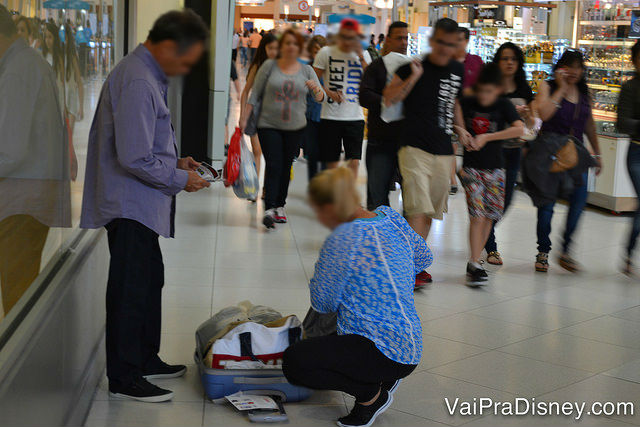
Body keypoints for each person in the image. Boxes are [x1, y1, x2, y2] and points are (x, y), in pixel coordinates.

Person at [80, 10, 210, 403]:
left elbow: (146, 143)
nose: (184, 69)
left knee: (150, 280)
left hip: (140, 204)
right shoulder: (137, 78)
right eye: (185, 61)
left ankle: (144, 357)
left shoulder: (146, 74)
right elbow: (134, 157)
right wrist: (179, 179)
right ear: (168, 46)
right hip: (129, 205)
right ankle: (124, 377)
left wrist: (177, 162)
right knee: (130, 291)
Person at [283, 167, 431, 427]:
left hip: (378, 349)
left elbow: (323, 303)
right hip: (410, 344)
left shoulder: (341, 241)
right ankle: (385, 377)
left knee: (295, 362)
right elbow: (423, 258)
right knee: (331, 345)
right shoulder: (391, 217)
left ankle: (371, 395)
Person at [383, 18, 467, 287]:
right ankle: (406, 268)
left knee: (430, 212)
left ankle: (414, 264)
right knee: (416, 209)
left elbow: (453, 102)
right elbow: (389, 97)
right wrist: (414, 79)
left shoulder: (457, 70)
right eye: (441, 42)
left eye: (451, 44)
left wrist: (461, 129)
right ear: (432, 41)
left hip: (443, 149)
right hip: (413, 146)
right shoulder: (412, 67)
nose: (445, 48)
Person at [0, 5, 69, 320]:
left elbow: (10, 150)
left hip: (22, 199)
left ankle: (20, 369)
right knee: (19, 287)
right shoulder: (23, 63)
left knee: (17, 294)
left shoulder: (18, 69)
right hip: (28, 193)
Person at [240, 29, 324, 229]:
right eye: (287, 43)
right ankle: (269, 208)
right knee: (274, 163)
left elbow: (320, 98)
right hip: (268, 124)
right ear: (283, 47)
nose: (291, 47)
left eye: (295, 44)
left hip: (295, 127)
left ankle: (280, 205)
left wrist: (315, 89)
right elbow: (255, 94)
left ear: (299, 48)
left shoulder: (307, 70)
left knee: (286, 166)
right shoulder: (269, 66)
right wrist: (244, 117)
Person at [533, 50, 602, 273]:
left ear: (582, 71)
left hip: (576, 153)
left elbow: (589, 124)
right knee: (547, 206)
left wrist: (597, 153)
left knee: (580, 201)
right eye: (568, 66)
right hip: (549, 153)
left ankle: (566, 250)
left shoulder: (584, 94)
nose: (573, 72)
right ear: (559, 68)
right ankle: (543, 251)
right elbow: (543, 114)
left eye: (577, 67)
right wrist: (561, 88)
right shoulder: (548, 86)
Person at [459, 63, 524, 285]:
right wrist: (462, 131)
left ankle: (475, 262)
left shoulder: (504, 104)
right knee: (476, 215)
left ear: (498, 89)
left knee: (489, 215)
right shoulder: (468, 101)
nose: (485, 96)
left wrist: (487, 137)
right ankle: (474, 261)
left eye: (490, 91)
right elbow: (455, 108)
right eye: (481, 90)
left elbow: (519, 129)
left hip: (496, 168)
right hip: (472, 168)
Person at [484, 42, 536, 266]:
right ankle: (490, 246)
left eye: (513, 59)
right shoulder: (490, 86)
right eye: (505, 58)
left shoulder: (524, 88)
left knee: (505, 200)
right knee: (491, 199)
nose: (509, 63)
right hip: (492, 150)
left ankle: (483, 232)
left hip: (514, 150)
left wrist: (527, 115)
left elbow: (534, 123)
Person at [360, 21, 408, 211]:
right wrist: (388, 100)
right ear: (387, 40)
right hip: (380, 140)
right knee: (377, 197)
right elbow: (364, 96)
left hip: (407, 141)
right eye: (399, 38)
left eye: (406, 38)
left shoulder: (412, 67)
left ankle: (406, 238)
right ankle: (379, 237)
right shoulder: (376, 68)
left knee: (412, 199)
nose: (403, 42)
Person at [313, 18, 371, 178]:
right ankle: (334, 197)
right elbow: (311, 79)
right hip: (330, 116)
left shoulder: (364, 54)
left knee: (354, 161)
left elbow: (370, 81)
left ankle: (349, 198)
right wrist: (328, 92)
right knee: (332, 162)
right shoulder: (326, 52)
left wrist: (360, 57)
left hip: (355, 116)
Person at [240, 32, 279, 197]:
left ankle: (265, 190)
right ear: (264, 48)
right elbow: (245, 92)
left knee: (270, 155)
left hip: (273, 115)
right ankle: (253, 188)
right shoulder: (257, 65)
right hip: (255, 113)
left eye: (276, 48)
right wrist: (243, 116)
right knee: (257, 151)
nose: (273, 52)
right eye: (270, 48)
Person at [450, 27, 484, 195]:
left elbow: (484, 84)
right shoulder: (448, 62)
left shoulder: (475, 61)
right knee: (452, 143)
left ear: (467, 41)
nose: (457, 43)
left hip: (472, 110)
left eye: (460, 40)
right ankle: (452, 179)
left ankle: (463, 170)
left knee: (468, 142)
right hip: (451, 107)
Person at [616, 40, 640, 275]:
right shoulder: (630, 88)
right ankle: (629, 252)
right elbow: (622, 123)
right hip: (636, 152)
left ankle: (629, 254)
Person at [302, 35, 327, 181]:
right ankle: (313, 183)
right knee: (312, 152)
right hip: (310, 115)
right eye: (315, 50)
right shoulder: (307, 68)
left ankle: (323, 184)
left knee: (324, 153)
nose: (318, 54)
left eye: (320, 50)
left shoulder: (330, 69)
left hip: (327, 116)